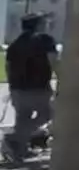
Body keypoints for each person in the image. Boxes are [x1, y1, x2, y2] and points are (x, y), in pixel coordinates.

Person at [3, 13, 57, 162]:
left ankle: (19, 151)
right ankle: (14, 138)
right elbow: (53, 61)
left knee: (22, 118)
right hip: (39, 87)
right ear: (39, 25)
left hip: (18, 88)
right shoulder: (46, 40)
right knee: (47, 114)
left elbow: (8, 67)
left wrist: (11, 86)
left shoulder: (14, 44)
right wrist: (61, 78)